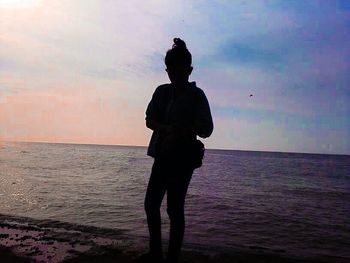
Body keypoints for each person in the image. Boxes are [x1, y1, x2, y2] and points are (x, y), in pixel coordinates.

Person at [135, 38, 213, 263]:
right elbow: (149, 120)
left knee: (174, 209)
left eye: (179, 70)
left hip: (183, 159)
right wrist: (168, 128)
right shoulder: (161, 92)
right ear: (167, 70)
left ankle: (172, 258)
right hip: (162, 155)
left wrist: (184, 129)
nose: (174, 75)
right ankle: (156, 253)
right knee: (151, 204)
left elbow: (207, 129)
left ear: (189, 70)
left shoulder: (197, 96)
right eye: (171, 70)